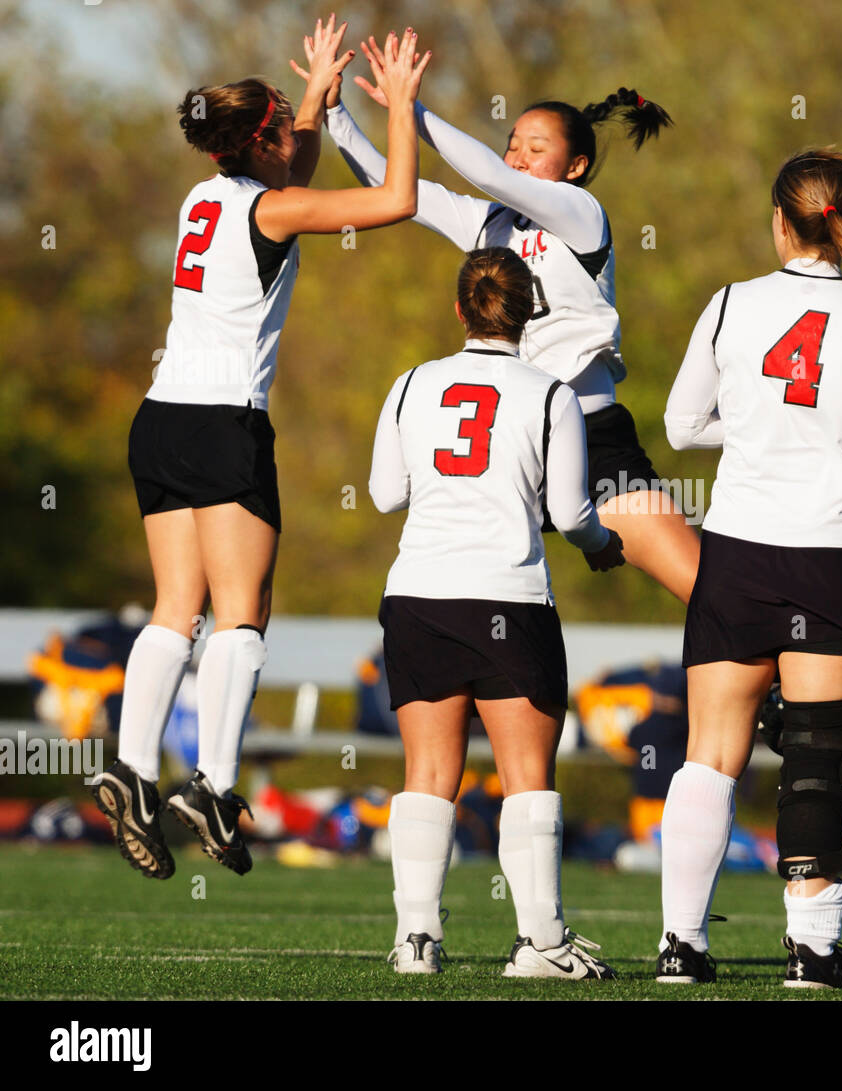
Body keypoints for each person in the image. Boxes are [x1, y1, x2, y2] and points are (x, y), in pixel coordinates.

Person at [89, 21, 430, 880]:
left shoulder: (203, 201)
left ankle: (131, 770)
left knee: (177, 608)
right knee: (242, 614)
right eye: (286, 126)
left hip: (160, 419)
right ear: (264, 139)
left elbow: (291, 169)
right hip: (224, 425)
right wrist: (402, 114)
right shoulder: (272, 207)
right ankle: (214, 782)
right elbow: (396, 201)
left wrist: (313, 94)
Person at [655, 149, 842, 988]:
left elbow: (679, 425)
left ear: (780, 221)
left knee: (710, 750)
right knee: (815, 754)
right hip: (830, 552)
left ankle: (682, 945)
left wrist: (752, 439)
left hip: (739, 547)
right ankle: (811, 950)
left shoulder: (732, 302)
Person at [316, 41, 701, 602]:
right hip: (514, 444)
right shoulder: (489, 224)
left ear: (576, 167)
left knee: (706, 589)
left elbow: (493, 175)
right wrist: (336, 115)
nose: (518, 157)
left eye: (535, 148)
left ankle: (784, 681)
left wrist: (411, 108)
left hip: (594, 442)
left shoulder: (581, 214)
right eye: (512, 144)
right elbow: (394, 191)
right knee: (485, 601)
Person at [370, 246, 625, 979]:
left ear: (459, 309)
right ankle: (540, 942)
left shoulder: (412, 383)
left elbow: (387, 494)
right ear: (531, 313)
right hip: (507, 596)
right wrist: (602, 544)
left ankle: (416, 941)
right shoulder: (551, 394)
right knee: (527, 774)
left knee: (428, 770)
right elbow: (573, 512)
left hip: (417, 594)